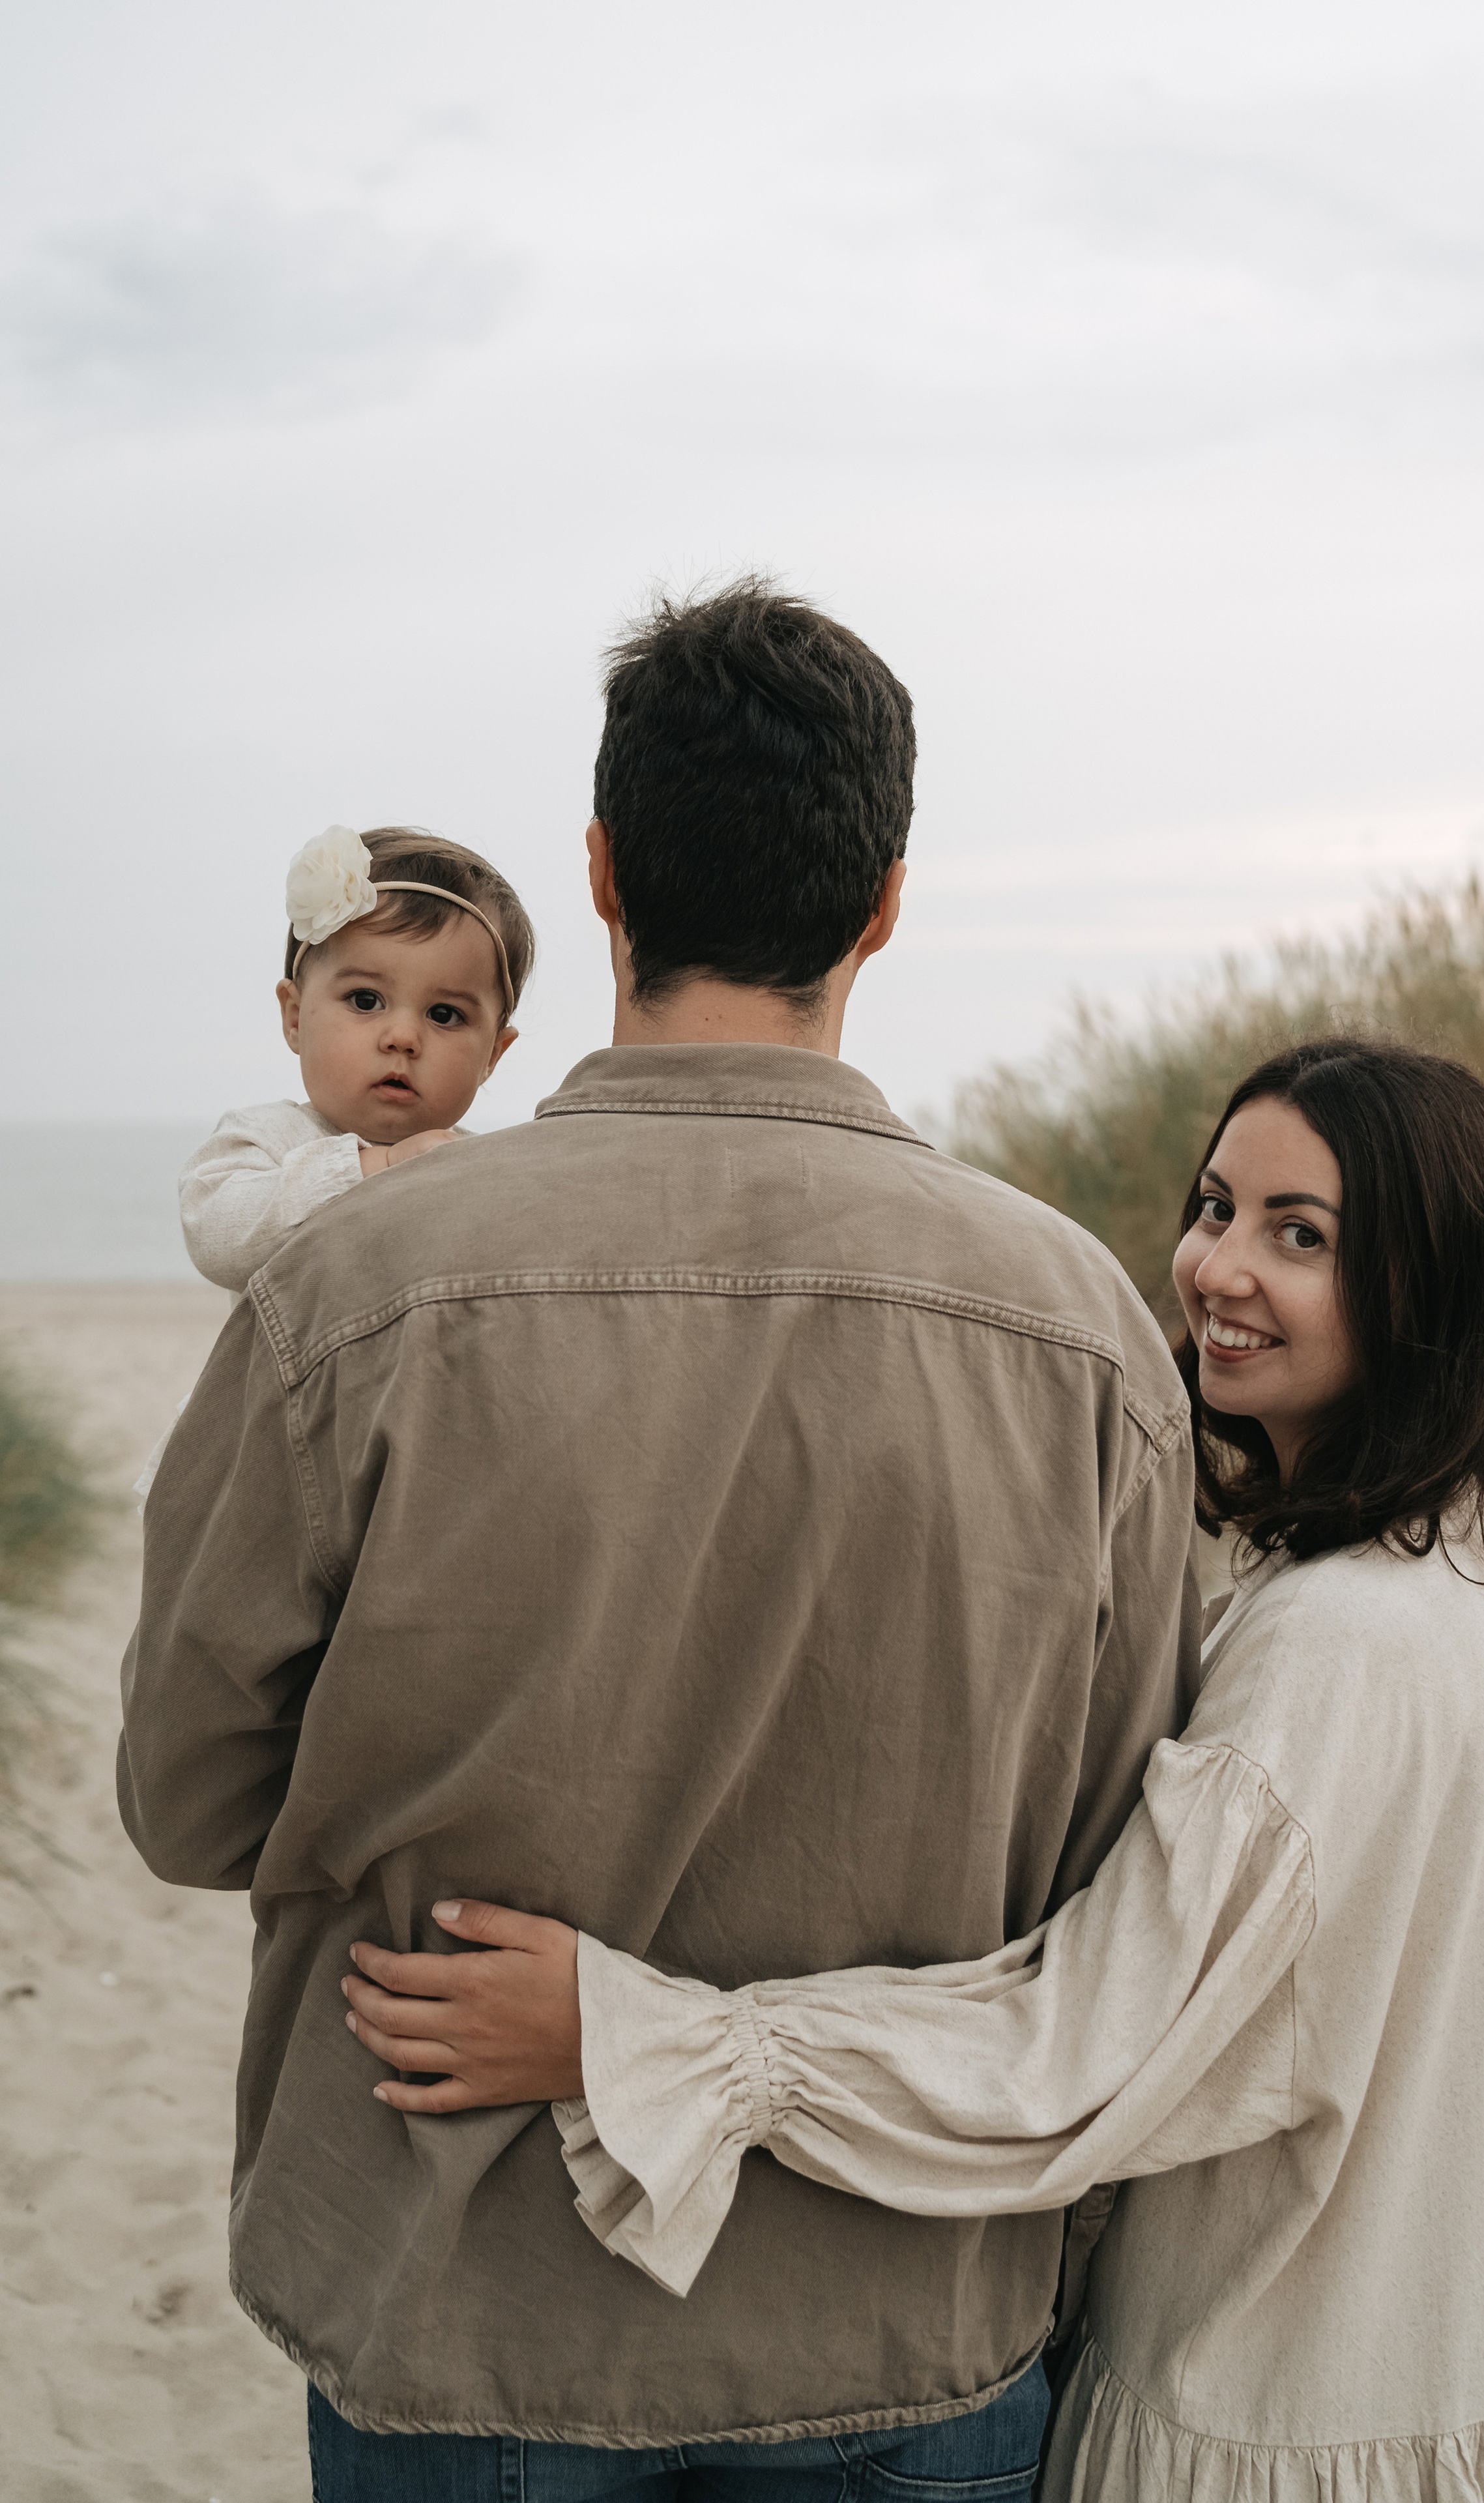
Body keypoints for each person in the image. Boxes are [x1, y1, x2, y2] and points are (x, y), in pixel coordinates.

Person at [118, 581, 1200, 2494]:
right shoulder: (1084, 1329)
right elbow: (1111, 1861)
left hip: (459, 2298)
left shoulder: (356, 1284)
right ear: (881, 903)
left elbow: (188, 1802)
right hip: (905, 2318)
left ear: (602, 875)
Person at [350, 1040, 1484, 2500]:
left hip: (1298, 2408)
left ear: (1434, 1287)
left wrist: (643, 2045)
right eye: (1215, 1206)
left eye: (1302, 1237)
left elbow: (1077, 2056)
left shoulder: (1340, 1642)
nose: (1218, 1269)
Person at [179, 823, 532, 1295]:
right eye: (365, 1001)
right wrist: (375, 1168)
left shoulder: (478, 1169)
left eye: (444, 1014)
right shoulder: (268, 1142)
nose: (403, 1038)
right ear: (296, 1017)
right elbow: (217, 1238)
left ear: (493, 1053)